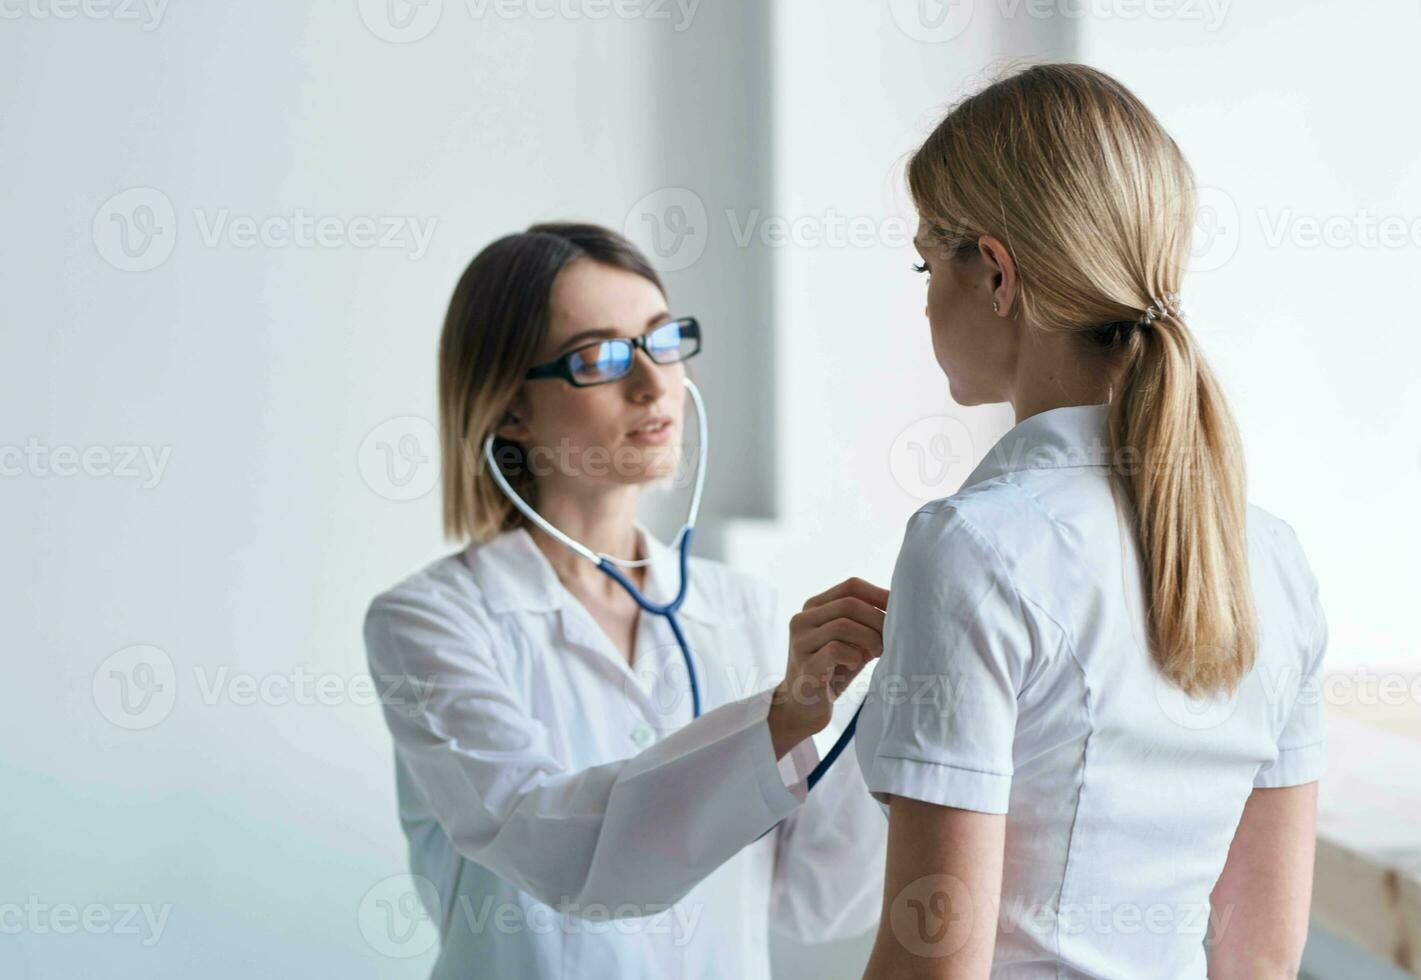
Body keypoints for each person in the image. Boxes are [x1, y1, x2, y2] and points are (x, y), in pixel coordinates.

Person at [855, 64, 1327, 979]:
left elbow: (931, 961)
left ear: (995, 273)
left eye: (926, 262)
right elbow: (1263, 955)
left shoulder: (972, 549)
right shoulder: (1272, 558)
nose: (921, 299)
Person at [364, 222, 888, 978]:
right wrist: (774, 722)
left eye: (661, 340)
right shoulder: (432, 621)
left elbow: (818, 898)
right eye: (599, 356)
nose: (651, 383)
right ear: (510, 410)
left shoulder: (737, 608)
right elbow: (563, 854)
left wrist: (882, 705)